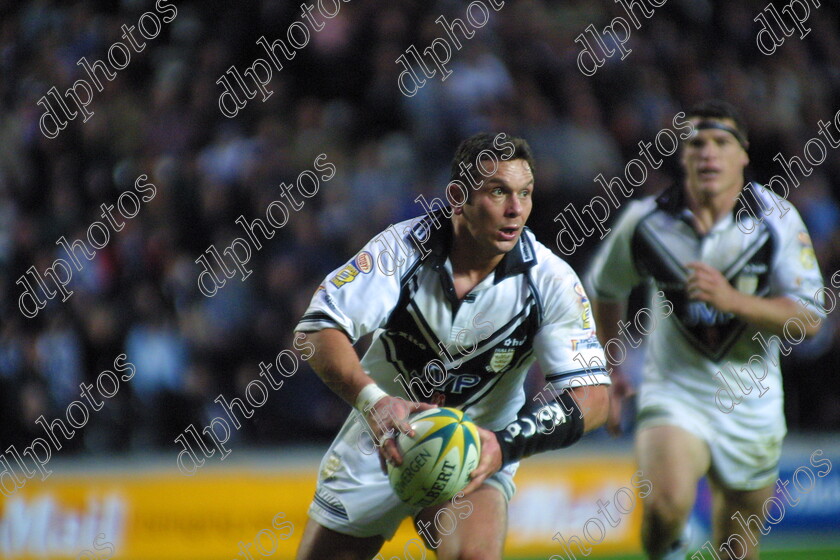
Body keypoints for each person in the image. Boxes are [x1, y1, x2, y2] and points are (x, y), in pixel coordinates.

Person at [293, 133, 610, 560]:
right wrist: (374, 403)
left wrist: (505, 444)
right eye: (498, 191)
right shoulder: (401, 249)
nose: (516, 209)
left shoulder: (550, 281)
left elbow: (593, 397)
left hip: (477, 447)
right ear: (458, 196)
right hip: (381, 438)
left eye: (525, 193)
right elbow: (316, 330)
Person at [587, 100, 825, 560]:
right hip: (675, 392)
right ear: (682, 155)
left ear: (743, 154)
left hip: (751, 400)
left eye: (721, 142)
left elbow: (810, 319)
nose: (707, 153)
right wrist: (610, 369)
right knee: (665, 509)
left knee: (735, 548)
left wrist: (732, 300)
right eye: (696, 143)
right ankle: (670, 548)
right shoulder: (647, 222)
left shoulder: (777, 221)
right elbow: (605, 286)